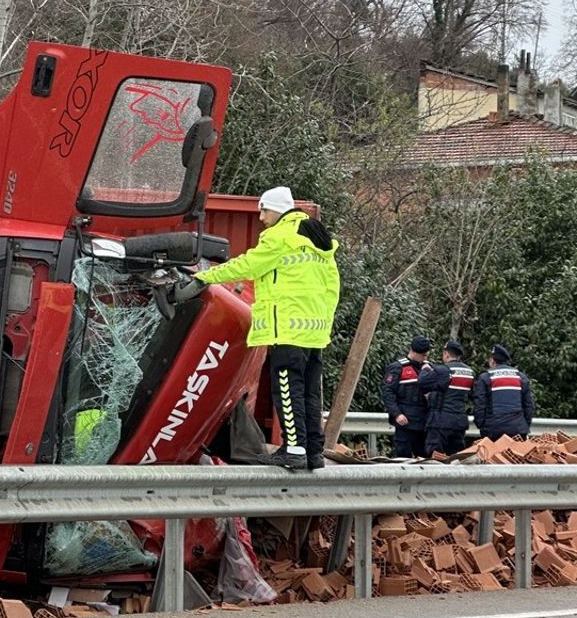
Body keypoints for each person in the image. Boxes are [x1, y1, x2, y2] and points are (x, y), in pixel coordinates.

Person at [180, 186, 341, 471]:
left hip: (288, 328)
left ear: (277, 209)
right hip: (313, 330)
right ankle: (312, 451)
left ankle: (293, 450)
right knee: (309, 394)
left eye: (264, 211)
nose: (262, 218)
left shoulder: (280, 236)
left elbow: (249, 265)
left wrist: (205, 277)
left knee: (287, 390)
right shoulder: (316, 237)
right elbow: (332, 285)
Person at [417, 340, 474, 456]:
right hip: (459, 422)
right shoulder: (469, 372)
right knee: (456, 456)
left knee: (435, 455)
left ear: (446, 354)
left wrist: (426, 370)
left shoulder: (443, 370)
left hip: (441, 422)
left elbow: (422, 383)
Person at [381, 336, 432, 458]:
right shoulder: (398, 368)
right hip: (405, 421)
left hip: (424, 422)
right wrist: (397, 414)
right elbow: (388, 392)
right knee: (403, 457)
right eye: (422, 356)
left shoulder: (428, 368)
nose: (425, 358)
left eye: (426, 356)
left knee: (426, 459)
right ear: (413, 351)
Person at [472, 344, 535, 441]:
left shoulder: (486, 377)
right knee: (515, 456)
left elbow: (480, 405)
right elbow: (528, 405)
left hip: (493, 430)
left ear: (492, 361)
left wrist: (482, 426)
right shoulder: (521, 377)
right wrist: (524, 425)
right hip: (518, 429)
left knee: (493, 456)